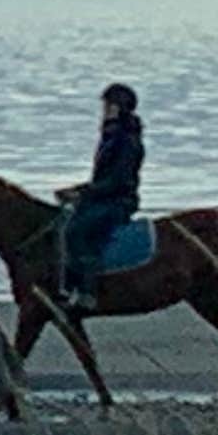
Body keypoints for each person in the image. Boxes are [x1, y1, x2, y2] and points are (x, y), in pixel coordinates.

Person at [58, 81, 144, 311]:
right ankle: (67, 284)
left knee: (78, 231)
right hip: (105, 196)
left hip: (118, 201)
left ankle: (88, 292)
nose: (103, 111)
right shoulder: (111, 137)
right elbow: (102, 179)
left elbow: (118, 180)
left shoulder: (126, 140)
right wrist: (78, 190)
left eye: (107, 106)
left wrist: (81, 193)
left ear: (117, 108)